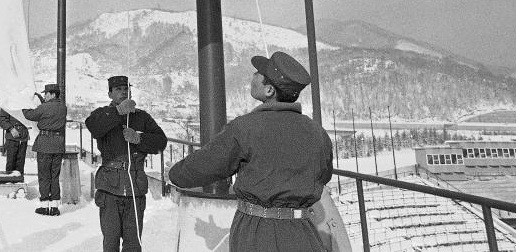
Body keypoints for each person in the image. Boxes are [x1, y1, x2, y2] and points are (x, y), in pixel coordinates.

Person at [168, 51, 334, 252]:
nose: (253, 76)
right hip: (304, 231)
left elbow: (207, 164)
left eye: (258, 73)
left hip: (256, 232)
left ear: (270, 90)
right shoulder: (317, 132)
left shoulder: (245, 128)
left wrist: (174, 174)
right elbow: (324, 175)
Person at [85, 75, 167, 252]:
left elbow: (161, 141)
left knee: (133, 244)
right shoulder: (103, 114)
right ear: (110, 94)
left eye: (126, 88)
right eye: (118, 89)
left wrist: (139, 138)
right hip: (110, 188)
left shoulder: (141, 117)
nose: (123, 92)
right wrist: (118, 112)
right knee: (111, 242)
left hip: (135, 188)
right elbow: (93, 126)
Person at [22, 83, 67, 216]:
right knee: (55, 176)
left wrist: (23, 105)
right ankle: (54, 206)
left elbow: (30, 115)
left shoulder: (44, 107)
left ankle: (44, 204)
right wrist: (42, 102)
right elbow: (49, 109)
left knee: (44, 176)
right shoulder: (63, 107)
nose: (44, 96)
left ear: (52, 94)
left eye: (46, 94)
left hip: (45, 144)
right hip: (58, 145)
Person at [0, 107, 29, 175]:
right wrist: (11, 128)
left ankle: (19, 181)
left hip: (23, 137)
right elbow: (2, 120)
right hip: (12, 138)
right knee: (11, 163)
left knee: (21, 162)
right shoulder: (8, 103)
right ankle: (9, 181)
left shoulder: (26, 102)